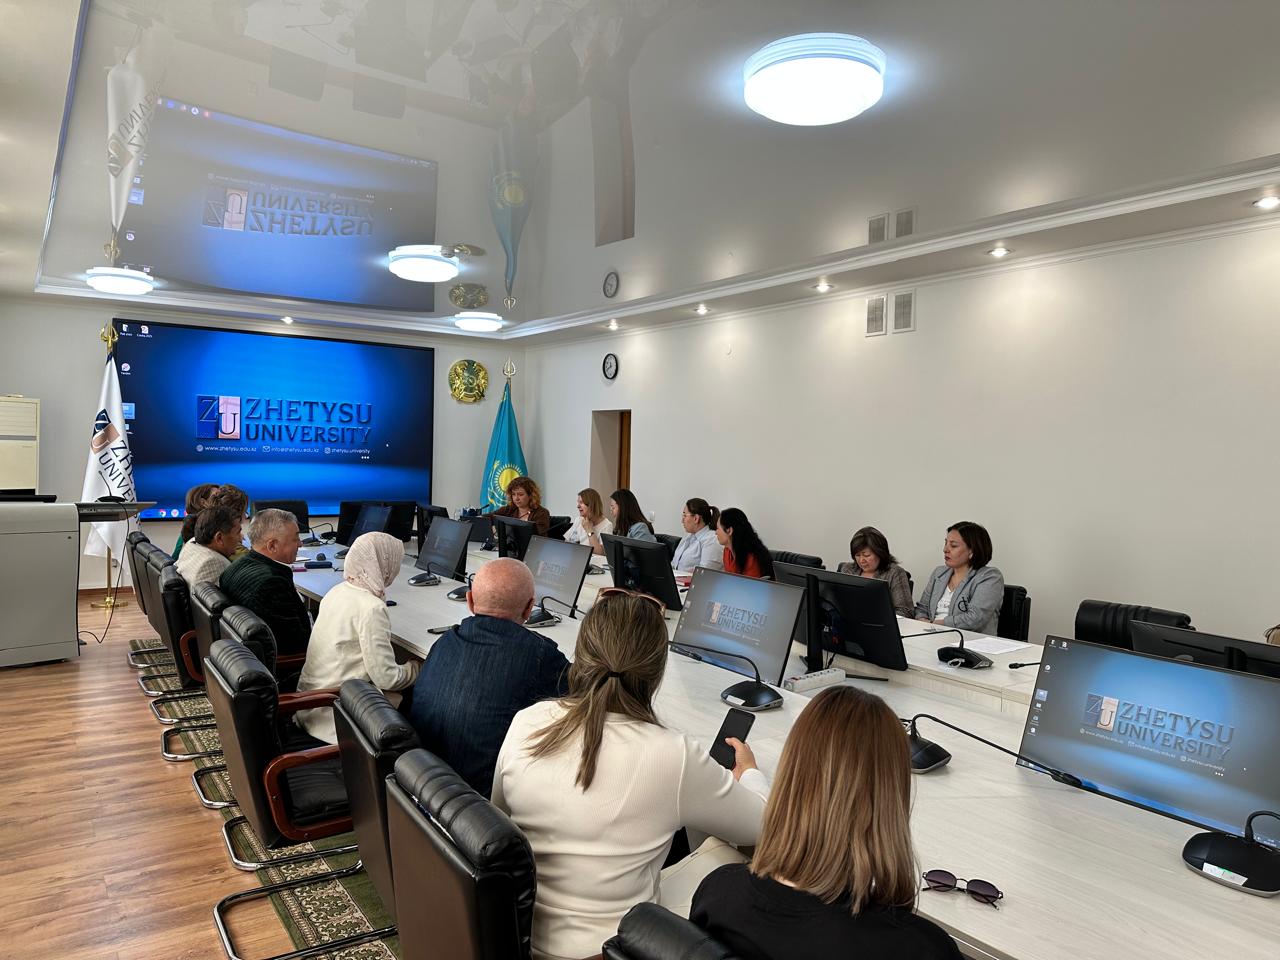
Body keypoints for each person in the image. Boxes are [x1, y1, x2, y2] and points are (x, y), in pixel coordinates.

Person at [492, 591, 769, 960]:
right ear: (657, 670)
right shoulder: (672, 754)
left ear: (581, 654)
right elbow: (764, 827)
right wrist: (750, 773)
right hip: (619, 947)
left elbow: (499, 822)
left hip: (523, 937)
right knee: (730, 860)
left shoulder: (528, 722)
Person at [690, 686, 963, 960]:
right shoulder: (922, 948)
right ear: (892, 797)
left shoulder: (718, 894)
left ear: (791, 775)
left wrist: (751, 774)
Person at [407, 558, 569, 797]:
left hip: (418, 785)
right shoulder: (539, 655)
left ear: (470, 601)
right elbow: (585, 696)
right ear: (529, 608)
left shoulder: (444, 642)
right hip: (478, 802)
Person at [294, 532, 419, 744]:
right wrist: (418, 667)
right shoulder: (372, 608)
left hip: (309, 705)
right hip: (336, 713)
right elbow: (387, 679)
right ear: (383, 564)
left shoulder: (336, 591)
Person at [219, 508, 312, 656]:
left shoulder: (233, 568)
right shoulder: (272, 584)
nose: (300, 544)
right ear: (272, 545)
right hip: (290, 663)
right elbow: (298, 644)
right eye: (295, 539)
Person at [914, 521, 1004, 635]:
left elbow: (974, 618)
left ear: (972, 551)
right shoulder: (939, 573)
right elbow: (922, 608)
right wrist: (922, 620)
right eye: (946, 543)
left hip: (968, 640)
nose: (945, 549)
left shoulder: (990, 577)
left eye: (953, 545)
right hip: (930, 635)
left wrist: (934, 624)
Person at [836, 527, 914, 619]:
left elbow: (906, 612)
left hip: (879, 624)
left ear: (880, 553)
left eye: (867, 555)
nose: (861, 560)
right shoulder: (847, 569)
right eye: (857, 555)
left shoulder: (894, 573)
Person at [174, 506, 242, 590]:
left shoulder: (191, 544)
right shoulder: (214, 563)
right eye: (238, 533)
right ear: (219, 538)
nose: (240, 538)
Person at [716, 507, 773, 579]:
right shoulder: (727, 551)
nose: (716, 532)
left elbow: (749, 585)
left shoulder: (751, 558)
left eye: (717, 528)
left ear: (729, 530)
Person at [672, 498, 723, 572]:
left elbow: (704, 573)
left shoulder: (712, 540)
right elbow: (674, 564)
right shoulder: (688, 536)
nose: (682, 521)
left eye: (685, 515)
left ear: (696, 518)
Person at [172, 482, 219, 557]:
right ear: (203, 502)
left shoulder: (189, 527)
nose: (222, 500)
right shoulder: (204, 529)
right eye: (216, 496)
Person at [210, 483, 251, 559]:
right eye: (244, 511)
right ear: (237, 513)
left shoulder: (206, 533)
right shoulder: (240, 553)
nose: (246, 516)